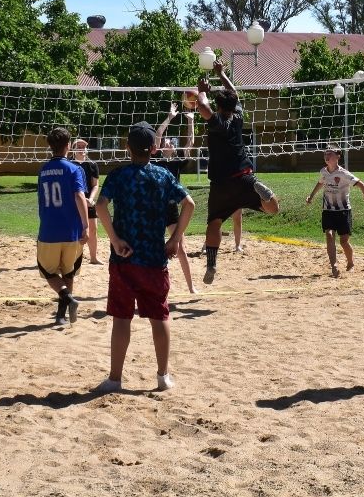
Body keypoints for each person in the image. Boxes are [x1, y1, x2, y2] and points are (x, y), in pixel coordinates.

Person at [94, 122, 195, 392]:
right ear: (154, 148)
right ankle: (163, 377)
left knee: (121, 319)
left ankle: (115, 379)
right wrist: (175, 239)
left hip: (124, 259)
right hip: (153, 258)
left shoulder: (117, 175)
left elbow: (100, 205)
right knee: (159, 317)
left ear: (127, 147)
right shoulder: (163, 175)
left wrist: (114, 239)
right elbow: (189, 204)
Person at [196, 59, 278, 285]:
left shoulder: (218, 123)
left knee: (214, 223)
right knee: (273, 210)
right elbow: (235, 94)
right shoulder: (238, 117)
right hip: (244, 176)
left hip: (221, 183)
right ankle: (264, 192)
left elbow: (203, 107)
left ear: (219, 107)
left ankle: (211, 264)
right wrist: (221, 73)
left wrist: (201, 91)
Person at [37, 128, 89, 326]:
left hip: (49, 230)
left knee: (48, 272)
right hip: (71, 231)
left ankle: (65, 303)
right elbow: (79, 196)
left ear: (50, 146)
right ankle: (63, 313)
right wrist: (86, 226)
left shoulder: (43, 170)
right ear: (68, 146)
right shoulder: (75, 169)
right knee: (68, 273)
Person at [305, 145, 364, 277]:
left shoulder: (344, 174)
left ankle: (351, 263)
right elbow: (320, 183)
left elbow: (362, 186)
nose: (326, 156)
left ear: (338, 156)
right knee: (329, 235)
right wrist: (311, 196)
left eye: (330, 154)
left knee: (344, 241)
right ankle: (334, 266)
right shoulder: (323, 172)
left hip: (343, 211)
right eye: (325, 154)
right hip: (328, 211)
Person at [154, 102, 198, 293]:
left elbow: (190, 143)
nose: (169, 143)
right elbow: (158, 134)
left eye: (172, 142)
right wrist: (170, 117)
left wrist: (190, 122)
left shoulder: (177, 162)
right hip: (155, 208)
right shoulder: (156, 160)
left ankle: (191, 286)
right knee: (153, 247)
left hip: (171, 209)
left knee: (181, 249)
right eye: (167, 141)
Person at [72, 138, 102, 264]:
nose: (81, 149)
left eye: (83, 146)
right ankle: (73, 258)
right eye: (78, 146)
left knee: (93, 230)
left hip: (89, 202)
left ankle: (93, 258)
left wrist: (91, 199)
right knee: (76, 230)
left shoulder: (92, 164)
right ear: (73, 149)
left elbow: (95, 185)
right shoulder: (69, 164)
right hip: (74, 202)